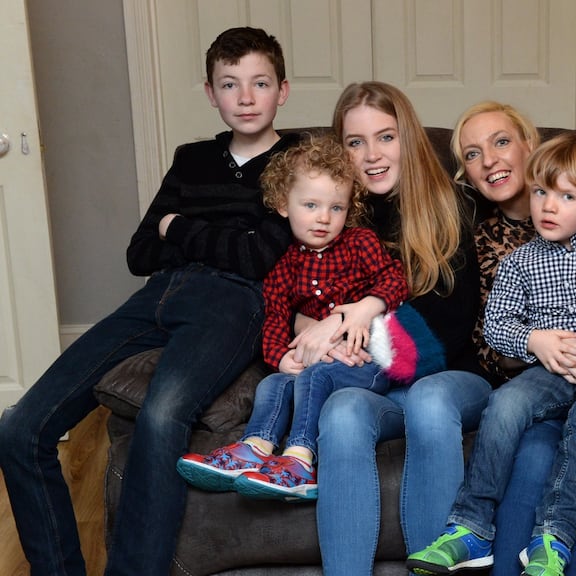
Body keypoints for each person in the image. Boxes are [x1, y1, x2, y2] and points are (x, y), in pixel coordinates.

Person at [0, 26, 295, 575]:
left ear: (283, 90)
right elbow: (140, 253)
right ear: (210, 93)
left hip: (233, 302)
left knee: (162, 417)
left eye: (260, 83)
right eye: (229, 84)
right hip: (160, 292)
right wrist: (218, 239)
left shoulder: (296, 162)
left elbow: (257, 259)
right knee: (20, 427)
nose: (246, 97)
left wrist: (176, 225)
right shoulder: (192, 159)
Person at [176, 135, 437, 502]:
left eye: (336, 207)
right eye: (311, 205)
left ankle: (300, 461)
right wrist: (281, 358)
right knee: (274, 384)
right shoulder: (285, 266)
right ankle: (254, 448)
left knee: (314, 377)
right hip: (319, 361)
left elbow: (395, 280)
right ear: (283, 204)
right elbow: (275, 319)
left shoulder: (360, 243)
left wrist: (366, 307)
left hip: (370, 358)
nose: (323, 218)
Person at [288, 81, 481, 576]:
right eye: (356, 142)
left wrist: (351, 321)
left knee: (429, 401)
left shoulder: (449, 202)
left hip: (451, 373)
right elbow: (295, 294)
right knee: (342, 411)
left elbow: (451, 321)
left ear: (407, 139)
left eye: (386, 137)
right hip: (374, 381)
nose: (372, 155)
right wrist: (316, 328)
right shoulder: (333, 217)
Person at [407, 132, 576, 576]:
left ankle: (553, 539)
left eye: (567, 196)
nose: (549, 206)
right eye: (540, 192)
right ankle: (471, 526)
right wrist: (534, 340)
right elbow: (497, 326)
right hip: (548, 372)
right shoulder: (519, 262)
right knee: (504, 403)